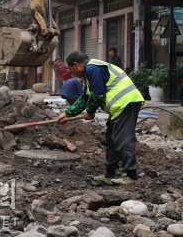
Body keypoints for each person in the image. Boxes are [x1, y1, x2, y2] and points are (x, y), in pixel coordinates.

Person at [57, 51, 144, 185]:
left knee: (122, 139)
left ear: (76, 65)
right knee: (111, 139)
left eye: (71, 70)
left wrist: (90, 112)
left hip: (126, 103)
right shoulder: (89, 74)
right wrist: (67, 114)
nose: (72, 74)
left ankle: (132, 177)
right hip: (119, 108)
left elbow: (97, 94)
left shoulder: (93, 68)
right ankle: (109, 174)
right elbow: (85, 98)